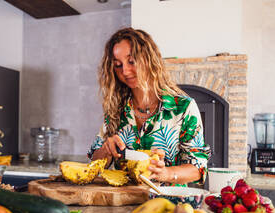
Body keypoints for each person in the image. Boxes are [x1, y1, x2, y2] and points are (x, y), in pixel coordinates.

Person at [87, 27, 210, 186]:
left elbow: (198, 168)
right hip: (123, 202)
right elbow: (93, 164)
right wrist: (106, 150)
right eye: (118, 65)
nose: (125, 70)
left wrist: (166, 173)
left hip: (169, 204)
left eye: (131, 61)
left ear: (149, 59)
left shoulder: (184, 108)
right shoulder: (115, 108)